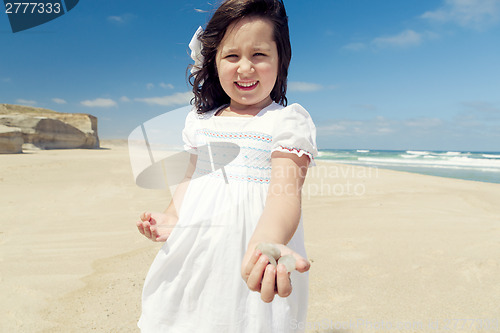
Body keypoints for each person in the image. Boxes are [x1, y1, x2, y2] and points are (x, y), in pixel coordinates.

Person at [136, 0, 318, 331]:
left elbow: (285, 192)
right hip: (193, 253)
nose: (245, 68)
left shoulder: (287, 122)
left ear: (281, 62)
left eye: (259, 55)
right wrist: (172, 217)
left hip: (254, 256)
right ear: (214, 62)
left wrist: (269, 240)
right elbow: (191, 176)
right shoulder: (200, 121)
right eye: (232, 56)